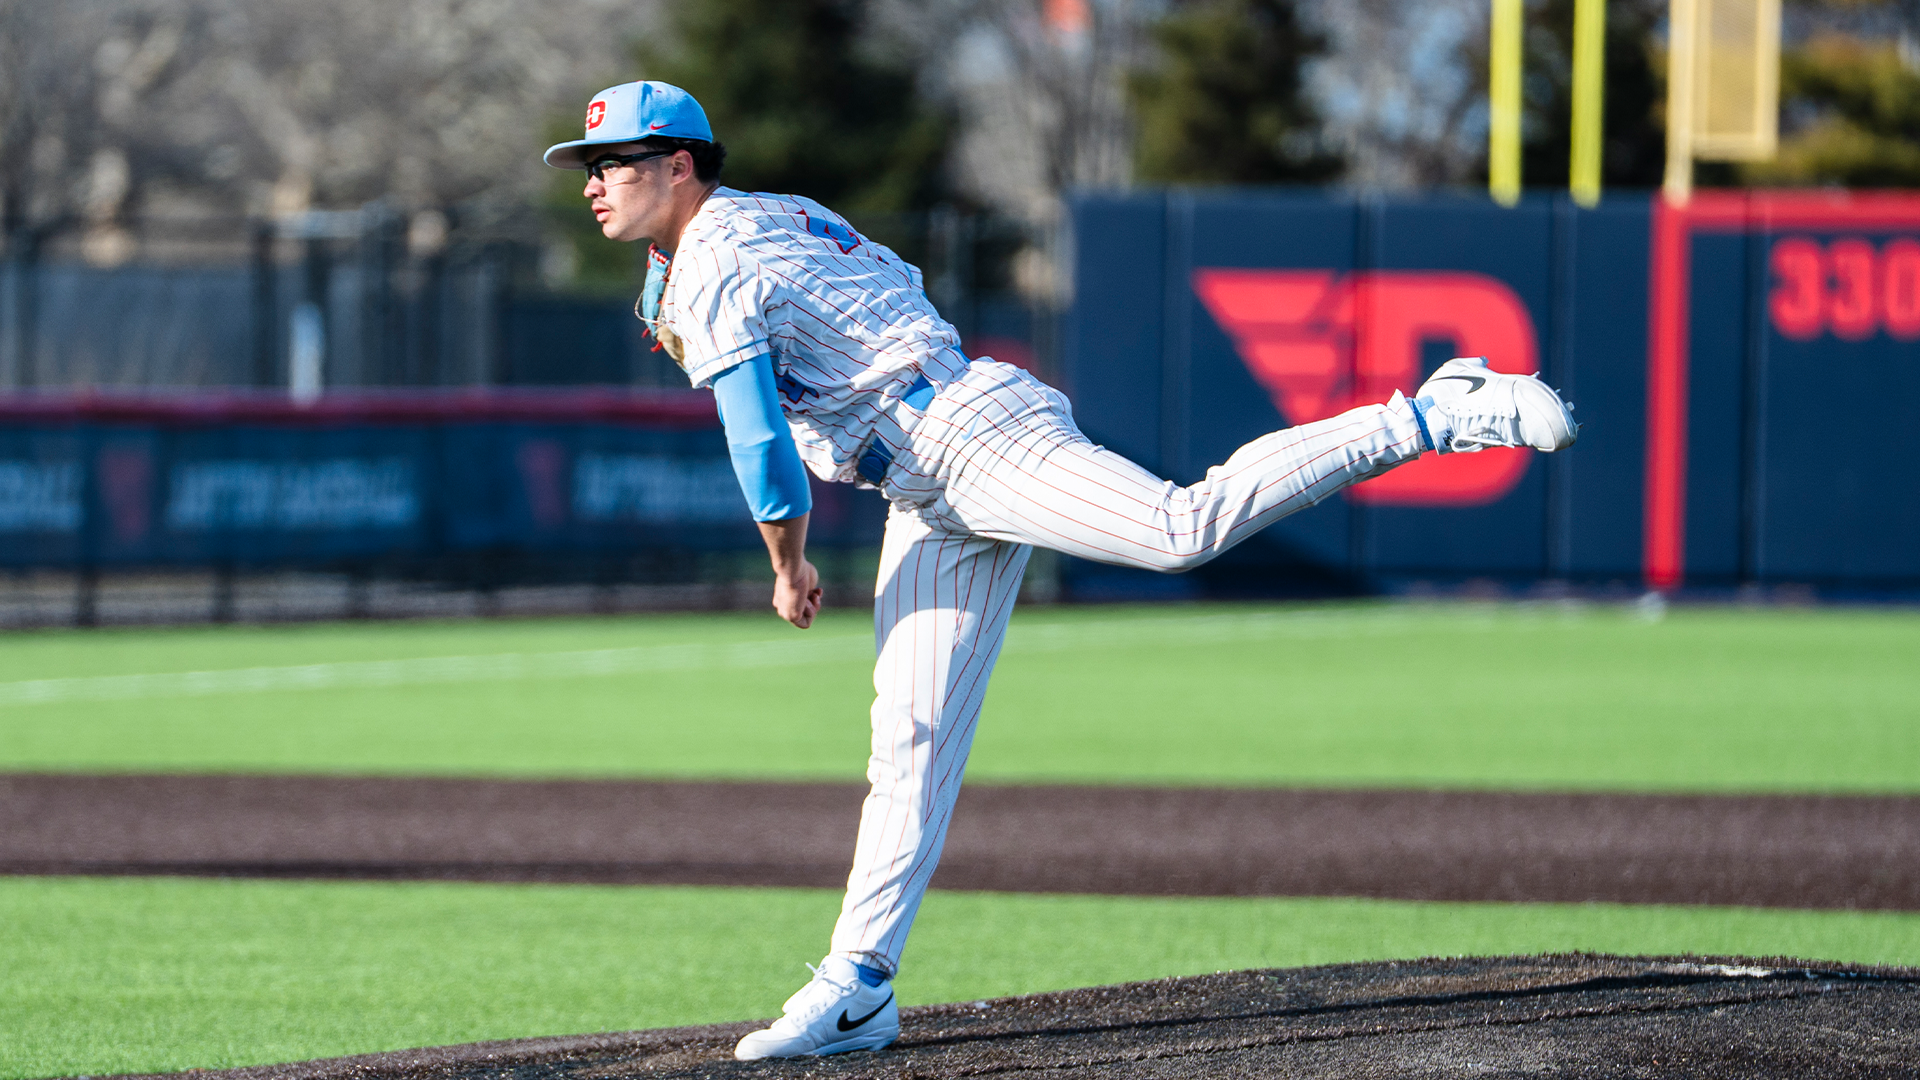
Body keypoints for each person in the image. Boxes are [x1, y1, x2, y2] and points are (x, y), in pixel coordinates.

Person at [544, 81, 1577, 1061]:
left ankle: (1432, 410)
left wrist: (790, 561)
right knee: (908, 742)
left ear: (679, 165)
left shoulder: (718, 253)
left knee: (1182, 527)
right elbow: (888, 288)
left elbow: (761, 446)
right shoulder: (760, 217)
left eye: (613, 162)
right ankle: (858, 983)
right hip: (927, 472)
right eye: (586, 166)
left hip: (966, 437)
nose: (592, 181)